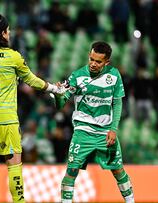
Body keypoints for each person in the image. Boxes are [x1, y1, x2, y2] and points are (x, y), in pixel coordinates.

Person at [0, 14, 66, 203]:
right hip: (5, 118)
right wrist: (55, 88)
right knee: (14, 166)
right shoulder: (13, 56)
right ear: (4, 33)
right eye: (8, 30)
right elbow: (32, 81)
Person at [54, 41, 134, 203]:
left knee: (118, 170)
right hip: (83, 131)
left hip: (106, 133)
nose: (93, 64)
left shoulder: (114, 75)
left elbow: (117, 103)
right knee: (72, 170)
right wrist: (58, 95)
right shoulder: (77, 76)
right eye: (91, 59)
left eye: (98, 61)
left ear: (107, 62)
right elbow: (61, 104)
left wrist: (113, 129)